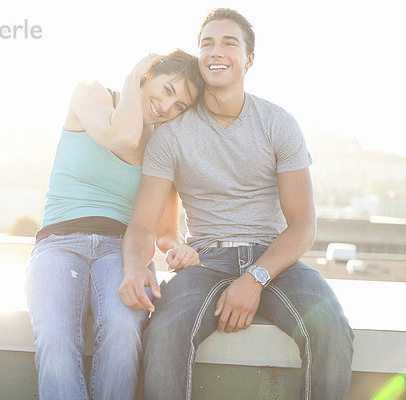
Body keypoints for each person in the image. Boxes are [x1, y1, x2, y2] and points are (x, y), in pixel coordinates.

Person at [119, 9, 354, 400]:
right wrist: (142, 262)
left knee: (330, 325)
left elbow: (302, 225)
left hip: (273, 259)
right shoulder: (170, 136)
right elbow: (145, 226)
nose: (217, 51)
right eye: (207, 43)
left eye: (230, 43)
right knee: (162, 333)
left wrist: (255, 279)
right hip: (205, 260)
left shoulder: (278, 124)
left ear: (249, 59)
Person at [25, 50, 204, 400]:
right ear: (148, 74)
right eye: (167, 90)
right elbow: (123, 137)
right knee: (57, 339)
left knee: (125, 333)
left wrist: (178, 247)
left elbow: (165, 230)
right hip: (59, 244)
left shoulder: (163, 144)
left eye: (180, 106)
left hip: (121, 253)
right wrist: (134, 74)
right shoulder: (92, 93)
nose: (167, 107)